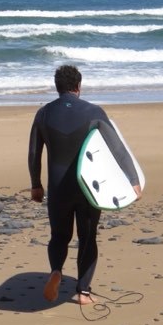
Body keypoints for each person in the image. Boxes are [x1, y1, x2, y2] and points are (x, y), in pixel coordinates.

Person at [28, 65, 141, 305]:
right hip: (90, 188)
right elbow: (117, 149)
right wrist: (133, 181)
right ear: (79, 86)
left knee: (59, 236)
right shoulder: (94, 112)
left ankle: (56, 270)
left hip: (58, 188)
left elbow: (34, 153)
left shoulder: (44, 114)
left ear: (56, 87)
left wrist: (36, 185)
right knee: (88, 237)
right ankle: (83, 293)